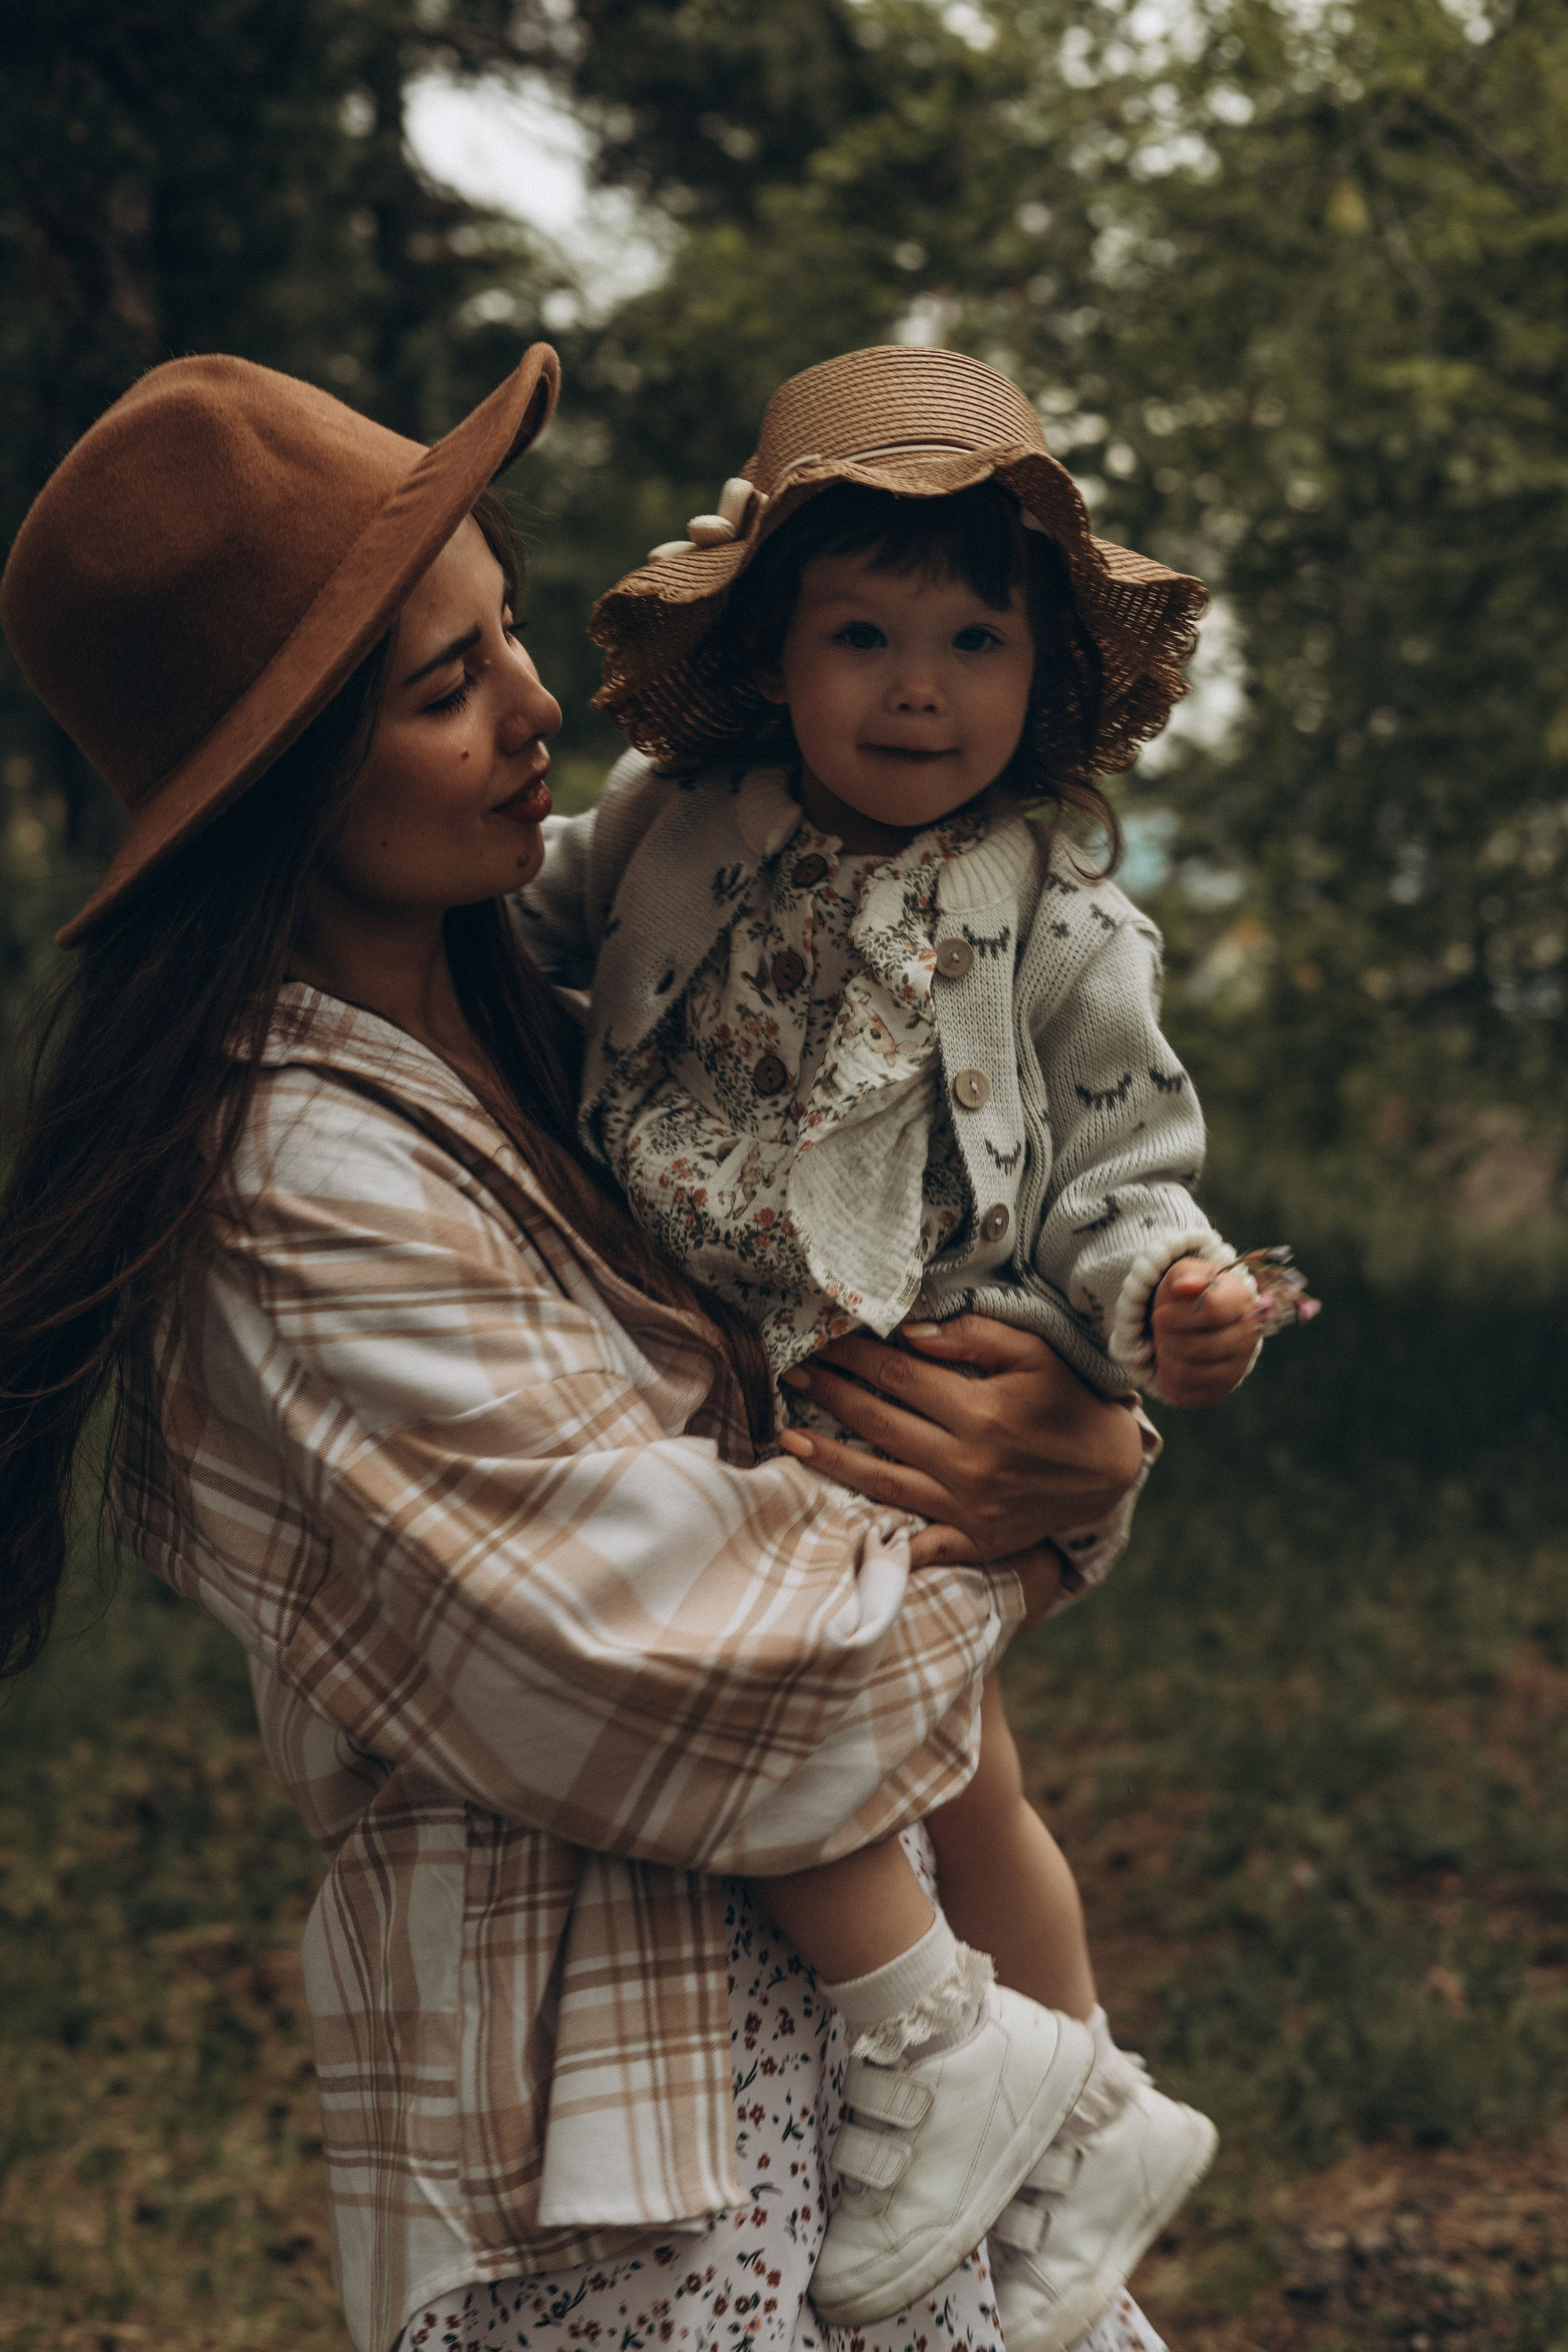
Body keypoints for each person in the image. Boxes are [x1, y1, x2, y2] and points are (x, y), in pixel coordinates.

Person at [0, 347, 1170, 2352]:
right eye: (445, 687)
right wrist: (1040, 1526)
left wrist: (1092, 1425)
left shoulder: (582, 1045)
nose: (538, 706)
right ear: (278, 778)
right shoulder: (288, 1177)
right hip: (626, 2172)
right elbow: (693, 1649)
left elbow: (893, 1263)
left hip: (876, 2090)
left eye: (512, 628)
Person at [521, 345, 1313, 2349]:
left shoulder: (1067, 925)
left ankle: (969, 2066)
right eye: (861, 634)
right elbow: (516, 941)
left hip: (910, 1387)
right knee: (947, 1770)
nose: (917, 690)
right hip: (726, 1374)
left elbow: (1125, 1175)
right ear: (770, 654)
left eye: (975, 642)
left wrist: (1173, 1304)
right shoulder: (670, 824)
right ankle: (1092, 2119)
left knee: (862, 1725)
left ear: (1043, 677)